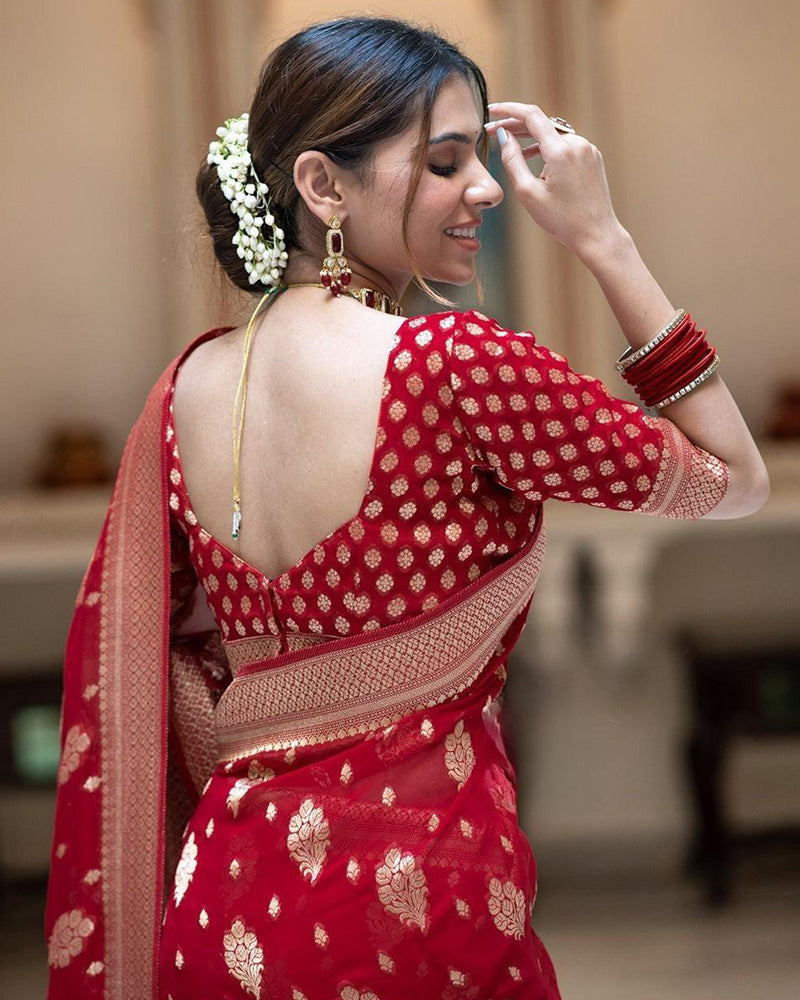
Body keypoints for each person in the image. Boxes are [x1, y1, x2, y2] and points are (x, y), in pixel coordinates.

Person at [43, 14, 769, 1000]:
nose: (485, 189)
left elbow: (184, 661)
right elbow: (733, 478)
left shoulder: (185, 390)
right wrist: (603, 238)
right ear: (320, 184)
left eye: (478, 158)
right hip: (416, 902)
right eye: (442, 161)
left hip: (223, 905)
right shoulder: (457, 364)